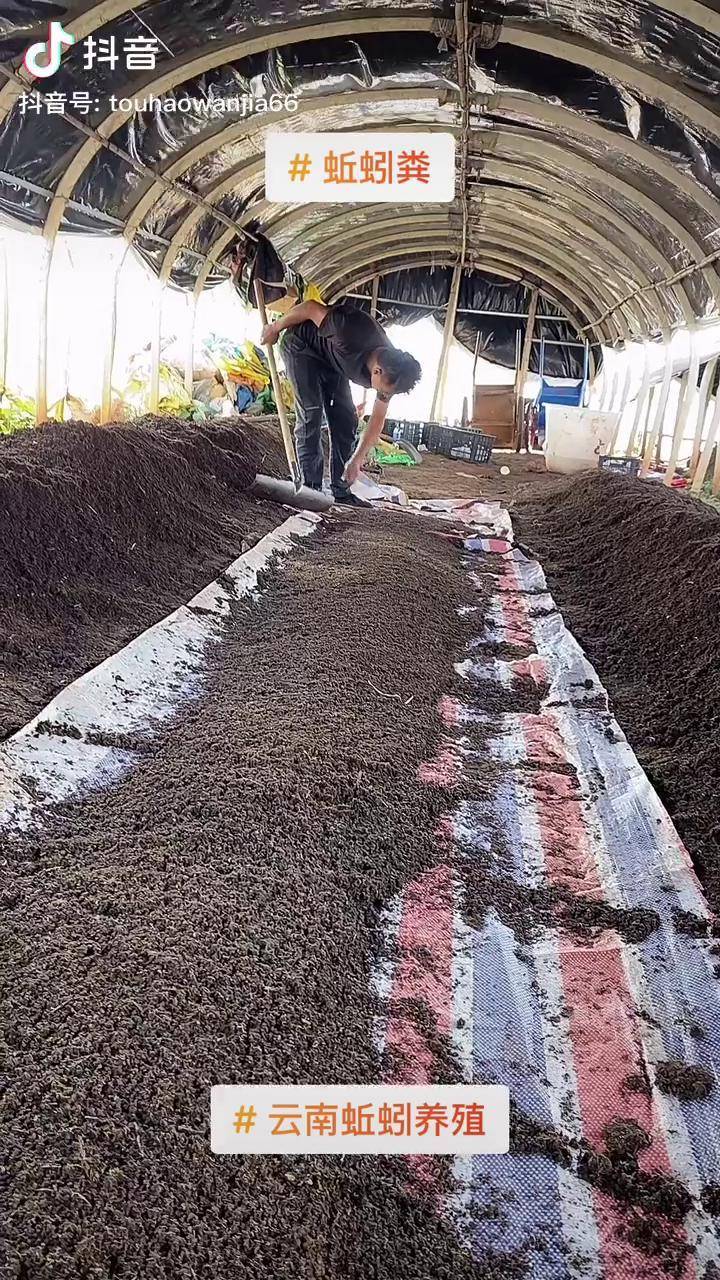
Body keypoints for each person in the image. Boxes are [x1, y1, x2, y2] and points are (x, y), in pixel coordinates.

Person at [261, 299, 421, 507]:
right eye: (382, 390)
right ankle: (310, 489)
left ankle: (341, 489)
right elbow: (310, 307)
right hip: (301, 347)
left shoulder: (392, 372)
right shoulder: (347, 331)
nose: (382, 394)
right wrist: (274, 327)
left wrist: (356, 460)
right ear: (377, 371)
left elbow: (376, 421)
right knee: (311, 413)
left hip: (333, 361)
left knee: (346, 420)